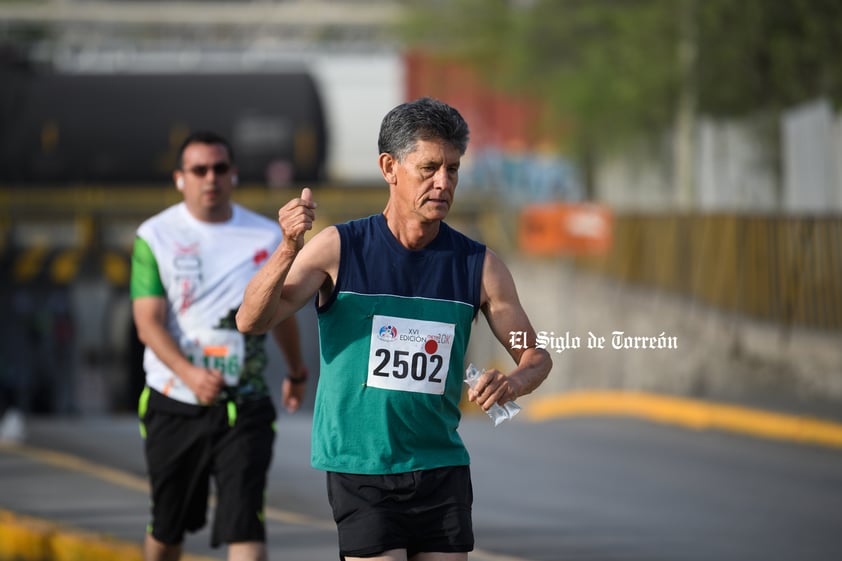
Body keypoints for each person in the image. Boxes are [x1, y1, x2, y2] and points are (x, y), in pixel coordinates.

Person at [236, 97, 552, 561]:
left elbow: (535, 355)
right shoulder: (338, 249)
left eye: (453, 169)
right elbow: (252, 320)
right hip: (361, 468)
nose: (443, 183)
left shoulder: (479, 266)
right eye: (428, 168)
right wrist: (286, 248)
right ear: (390, 167)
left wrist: (514, 381)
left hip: (441, 465)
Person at [131, 130, 308, 561]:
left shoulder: (268, 237)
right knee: (167, 526)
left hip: (243, 405)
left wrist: (296, 372)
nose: (211, 177)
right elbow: (147, 324)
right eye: (199, 169)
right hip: (174, 402)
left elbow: (281, 313)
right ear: (180, 178)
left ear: (233, 174)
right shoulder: (154, 236)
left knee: (245, 523)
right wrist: (190, 374)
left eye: (220, 168)